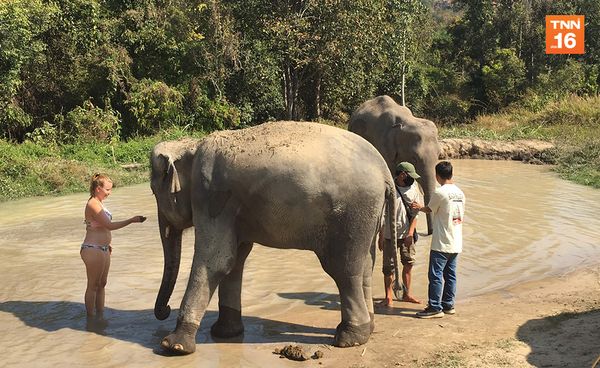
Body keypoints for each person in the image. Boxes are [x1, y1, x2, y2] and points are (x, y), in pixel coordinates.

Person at [81, 173, 146, 320]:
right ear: (98, 189)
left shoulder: (99, 203)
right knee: (93, 284)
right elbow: (109, 225)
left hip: (103, 248)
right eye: (107, 190)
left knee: (102, 284)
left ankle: (100, 316)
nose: (109, 193)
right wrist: (131, 220)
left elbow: (102, 227)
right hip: (93, 248)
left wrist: (108, 243)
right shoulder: (93, 204)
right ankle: (91, 319)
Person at [411, 161, 465, 318]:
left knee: (435, 276)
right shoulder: (460, 193)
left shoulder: (440, 192)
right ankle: (448, 304)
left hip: (442, 242)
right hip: (456, 242)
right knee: (451, 275)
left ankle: (435, 307)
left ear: (437, 176)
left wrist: (418, 207)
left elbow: (429, 209)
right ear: (451, 174)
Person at [378, 161, 423, 306]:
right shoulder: (388, 188)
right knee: (388, 268)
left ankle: (407, 294)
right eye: (410, 175)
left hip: (406, 234)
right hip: (389, 235)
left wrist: (410, 234)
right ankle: (388, 297)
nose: (413, 179)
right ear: (402, 175)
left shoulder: (414, 188)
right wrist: (380, 235)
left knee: (408, 263)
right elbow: (381, 214)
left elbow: (415, 214)